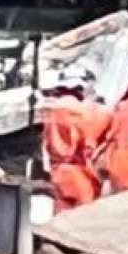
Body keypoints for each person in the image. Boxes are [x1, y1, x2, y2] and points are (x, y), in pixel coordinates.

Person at [39, 75, 111, 211]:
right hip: (79, 174)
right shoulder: (82, 112)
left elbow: (45, 145)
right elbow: (89, 142)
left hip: (58, 172)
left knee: (59, 220)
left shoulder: (51, 113)